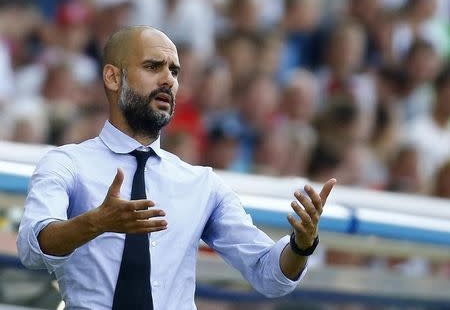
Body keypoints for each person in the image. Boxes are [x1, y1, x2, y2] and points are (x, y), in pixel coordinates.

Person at [17, 26, 336, 310]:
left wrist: (301, 245)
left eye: (175, 71)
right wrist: (95, 223)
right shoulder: (66, 163)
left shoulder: (202, 183)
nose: (168, 79)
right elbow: (32, 247)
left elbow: (268, 274)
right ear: (113, 77)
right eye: (153, 66)